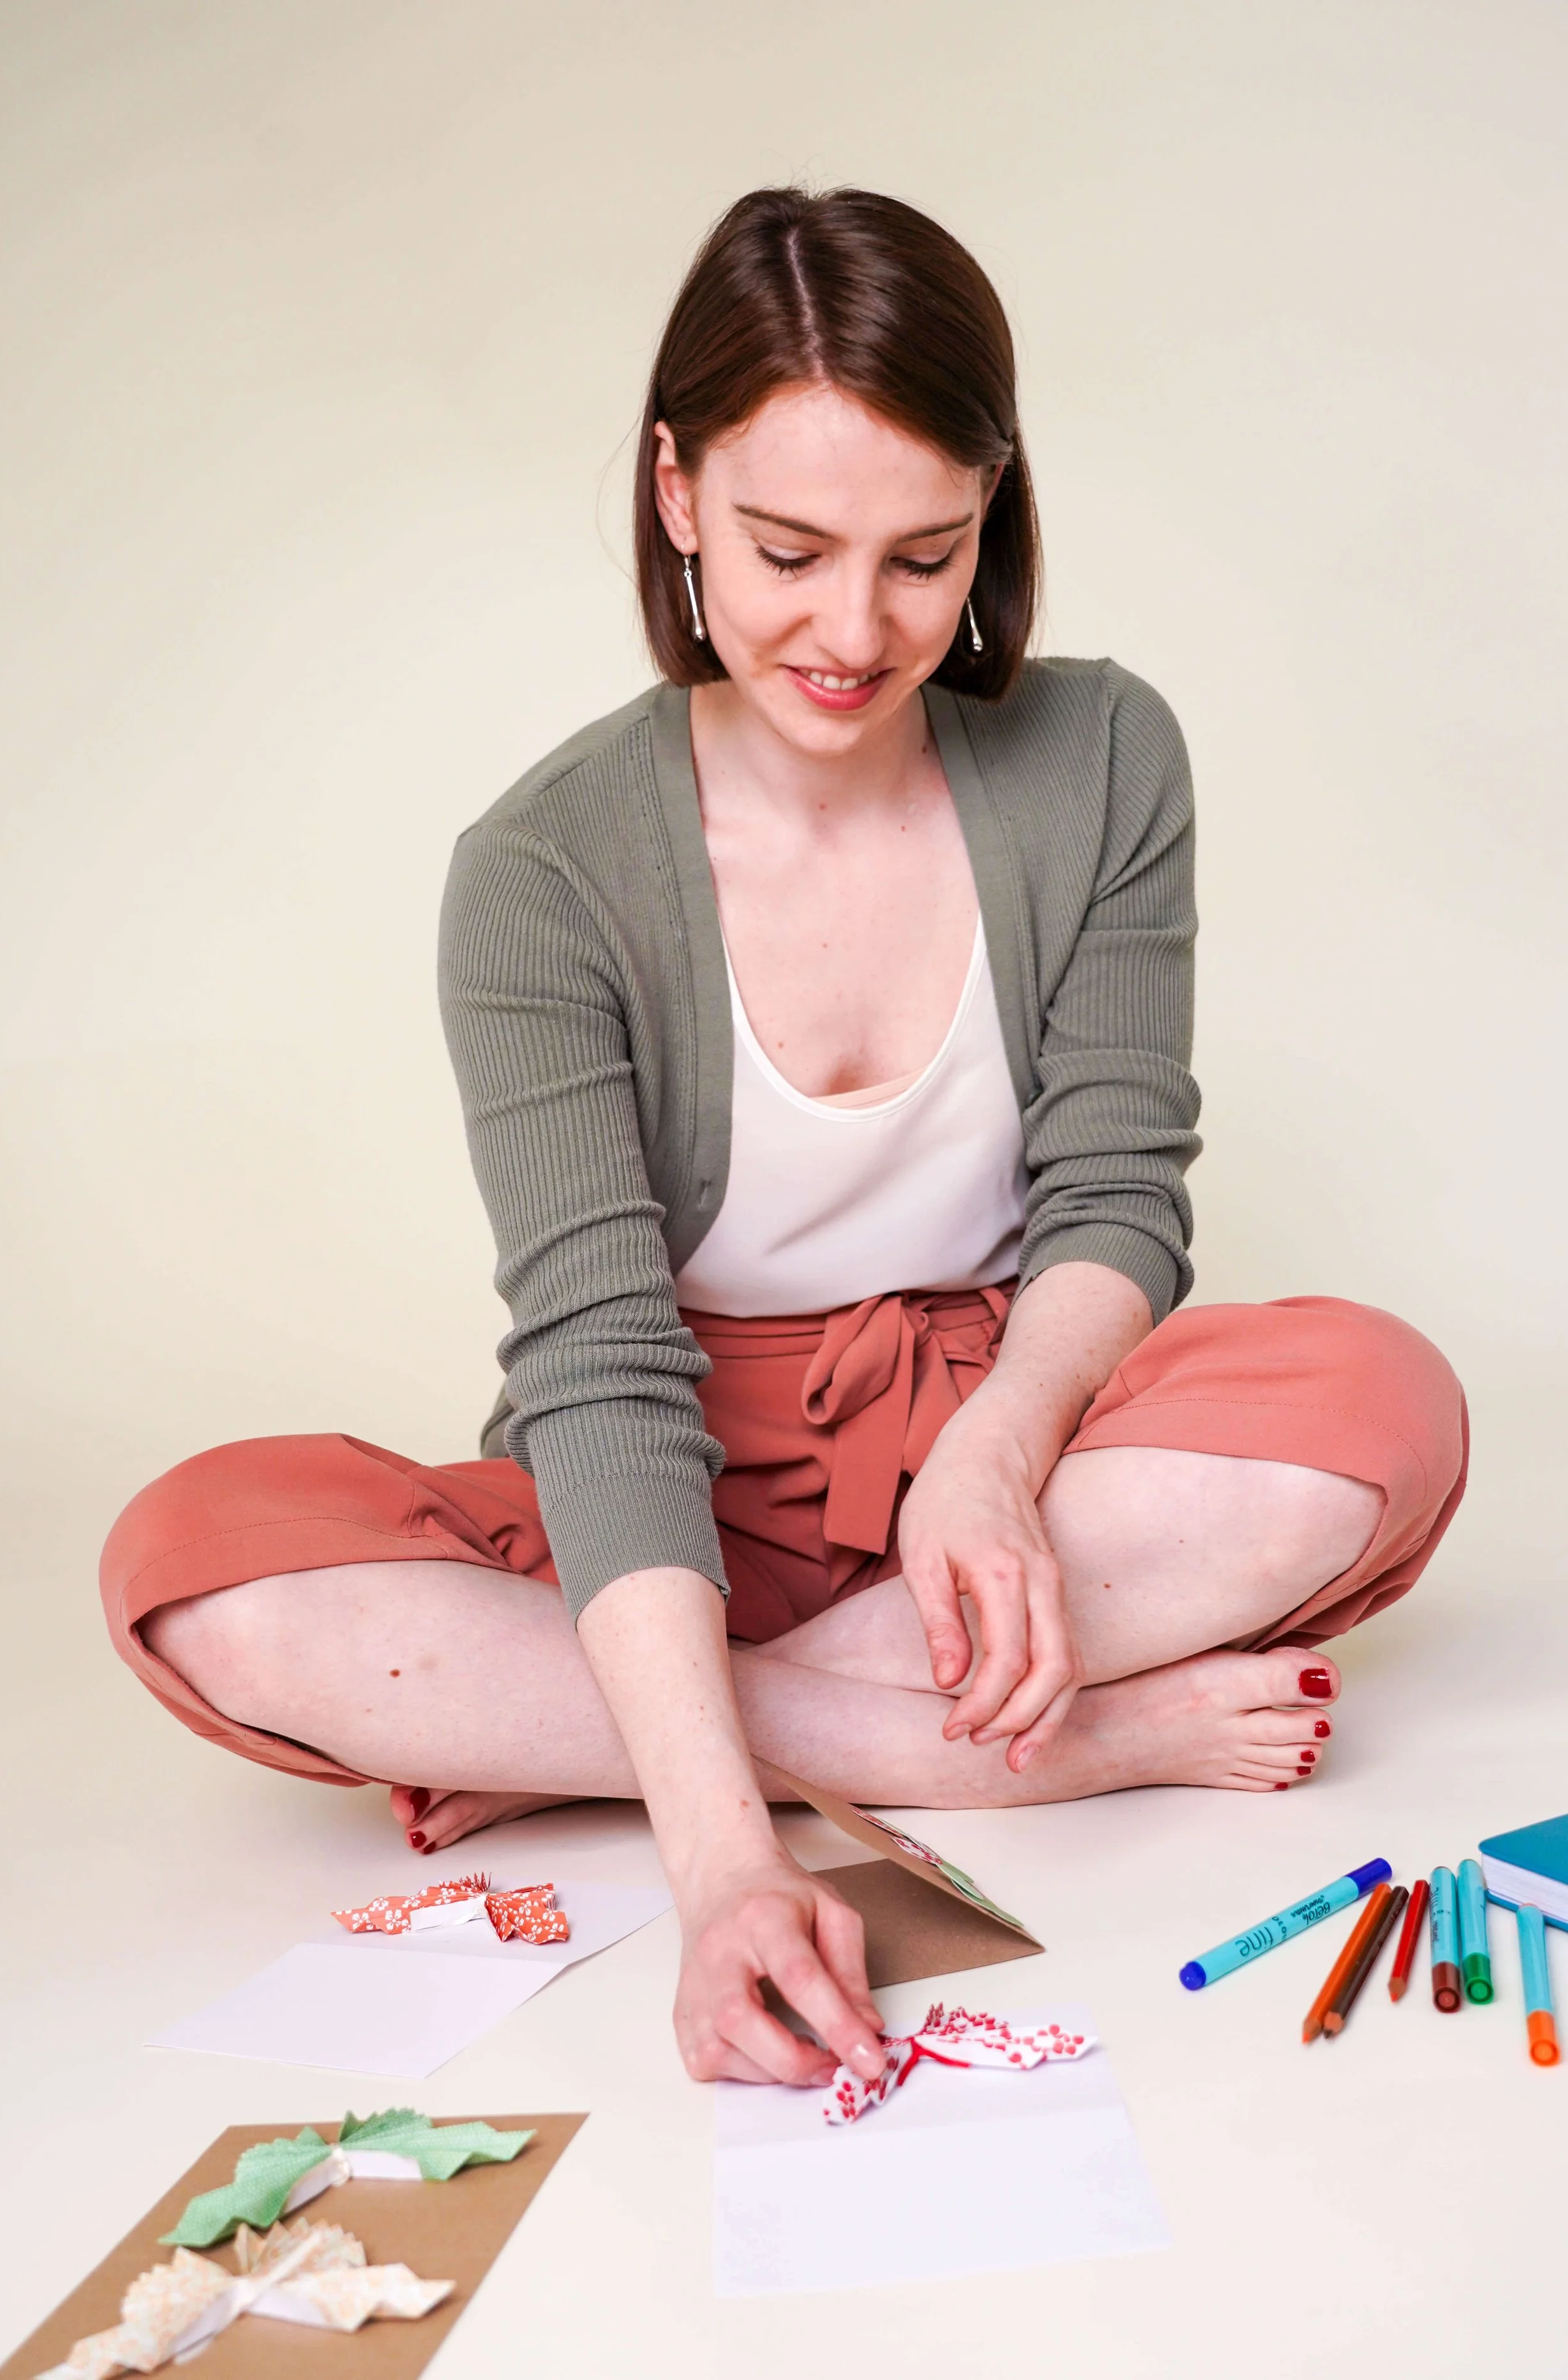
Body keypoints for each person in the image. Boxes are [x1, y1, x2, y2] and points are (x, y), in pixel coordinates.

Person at [101, 187, 1466, 2091]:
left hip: (1011, 1436)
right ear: (674, 494)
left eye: (926, 554)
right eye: (787, 549)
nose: (853, 629)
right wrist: (731, 1863)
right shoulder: (542, 870)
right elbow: (594, 1359)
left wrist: (991, 1459)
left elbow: (1115, 1191)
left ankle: (614, 1727)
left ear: (996, 513)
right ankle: (934, 1736)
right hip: (674, 1471)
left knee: (1377, 1403)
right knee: (198, 1566)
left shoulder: (1101, 755)